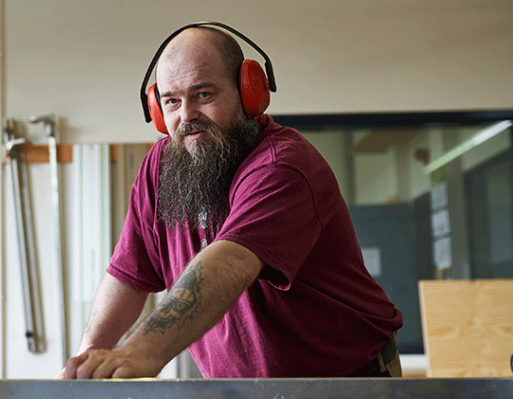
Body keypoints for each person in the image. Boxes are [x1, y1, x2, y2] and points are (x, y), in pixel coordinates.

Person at [60, 23, 403, 380]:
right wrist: (85, 365)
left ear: (248, 92)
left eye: (203, 95)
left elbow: (231, 261)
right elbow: (128, 277)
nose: (186, 115)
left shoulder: (283, 166)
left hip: (348, 390)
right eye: (172, 101)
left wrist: (140, 352)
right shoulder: (161, 168)